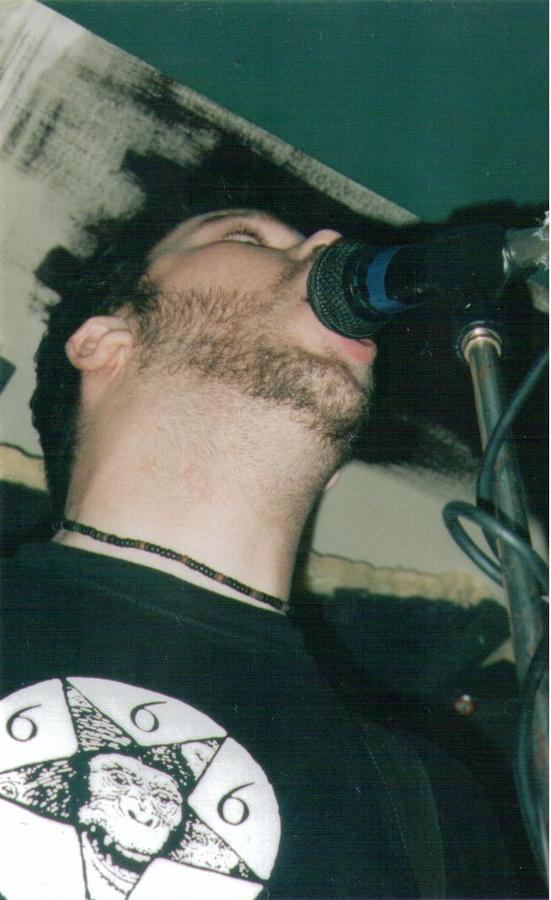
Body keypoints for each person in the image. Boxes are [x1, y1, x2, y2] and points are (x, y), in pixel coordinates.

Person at [0, 203, 516, 899]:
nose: (328, 241)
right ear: (105, 344)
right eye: (247, 236)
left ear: (334, 462)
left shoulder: (436, 814)